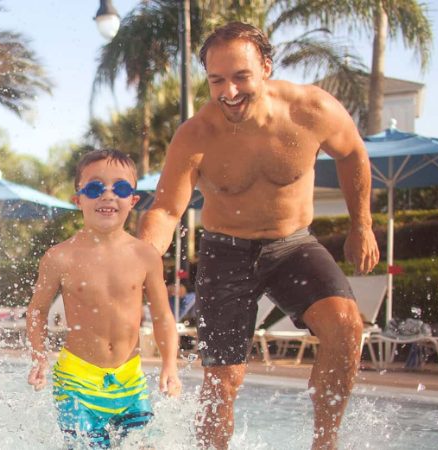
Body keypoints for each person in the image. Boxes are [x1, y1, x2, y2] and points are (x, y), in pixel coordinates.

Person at [137, 22, 380, 450]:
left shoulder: (311, 110)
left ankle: (325, 443)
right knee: (223, 381)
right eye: (217, 81)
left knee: (346, 330)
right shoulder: (197, 135)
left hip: (294, 245)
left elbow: (353, 153)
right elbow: (167, 209)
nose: (228, 91)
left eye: (240, 77)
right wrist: (142, 259)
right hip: (225, 252)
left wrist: (361, 223)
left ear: (265, 67)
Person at [27, 149, 181, 448]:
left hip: (130, 380)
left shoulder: (145, 256)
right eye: (96, 188)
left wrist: (170, 366)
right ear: (79, 199)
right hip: (76, 383)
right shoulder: (60, 257)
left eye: (120, 188)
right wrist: (38, 357)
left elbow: (163, 316)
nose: (108, 196)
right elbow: (36, 312)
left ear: (132, 200)